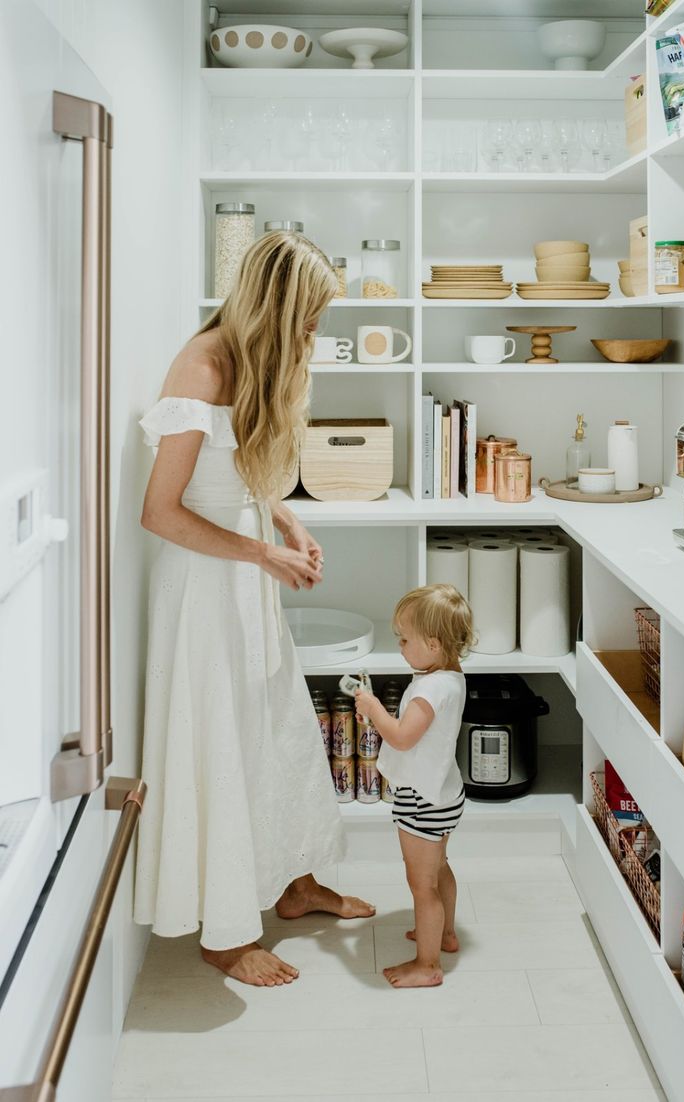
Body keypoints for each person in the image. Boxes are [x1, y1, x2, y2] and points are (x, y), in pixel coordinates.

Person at [133, 232, 374, 988]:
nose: (313, 334)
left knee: (276, 732)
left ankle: (294, 885)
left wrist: (288, 523)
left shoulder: (252, 360)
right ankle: (222, 935)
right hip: (203, 592)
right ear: (275, 305)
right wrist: (264, 554)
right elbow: (161, 513)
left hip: (242, 573)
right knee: (222, 745)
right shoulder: (201, 367)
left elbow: (241, 471)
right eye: (307, 318)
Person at [355, 584, 473, 989]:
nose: (401, 646)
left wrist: (372, 709)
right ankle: (446, 934)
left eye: (405, 639)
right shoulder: (450, 677)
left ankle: (427, 964)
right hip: (443, 792)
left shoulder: (428, 689)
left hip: (421, 801)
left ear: (434, 644)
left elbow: (403, 737)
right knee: (439, 868)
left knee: (421, 886)